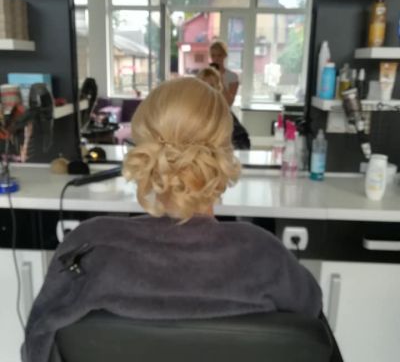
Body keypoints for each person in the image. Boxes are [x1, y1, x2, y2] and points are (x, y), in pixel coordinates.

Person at [22, 77, 322, 362]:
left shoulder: (88, 246)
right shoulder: (262, 254)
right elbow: (312, 336)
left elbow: (37, 344)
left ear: (143, 149)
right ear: (224, 154)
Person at [197, 66, 250, 150]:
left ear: (218, 89)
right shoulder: (190, 112)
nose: (207, 90)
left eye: (211, 86)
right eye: (204, 85)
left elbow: (243, 144)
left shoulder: (224, 114)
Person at [209, 40, 239, 106]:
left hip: (225, 110)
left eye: (219, 55)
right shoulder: (206, 75)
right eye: (213, 56)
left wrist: (220, 80)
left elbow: (229, 102)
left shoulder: (232, 77)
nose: (216, 59)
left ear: (224, 55)